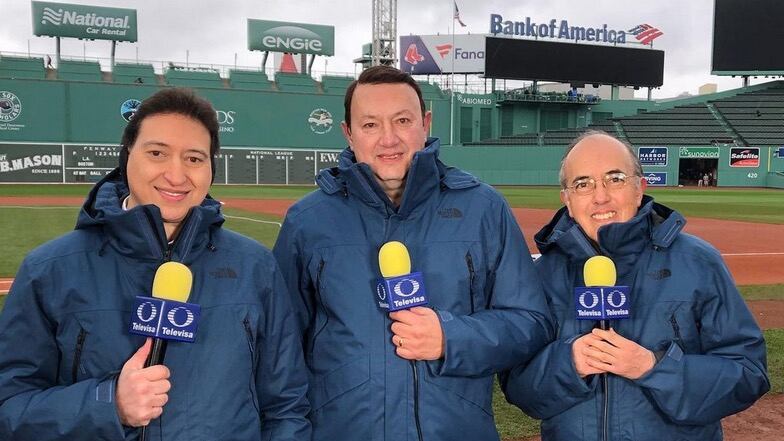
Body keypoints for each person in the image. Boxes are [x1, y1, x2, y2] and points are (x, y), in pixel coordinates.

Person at [0, 88, 310, 440]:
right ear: (127, 156)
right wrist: (108, 403)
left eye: (194, 158)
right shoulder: (49, 270)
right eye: (157, 153)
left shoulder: (255, 267)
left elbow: (286, 405)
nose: (176, 175)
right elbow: (9, 408)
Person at [272, 65, 554, 441]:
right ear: (349, 133)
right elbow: (280, 350)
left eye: (402, 120)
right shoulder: (307, 221)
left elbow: (531, 321)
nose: (388, 138)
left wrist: (452, 337)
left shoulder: (484, 209)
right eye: (370, 124)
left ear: (425, 123)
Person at [501, 131, 769, 441]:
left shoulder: (699, 262)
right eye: (583, 184)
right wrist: (568, 363)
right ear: (567, 200)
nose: (600, 196)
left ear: (639, 188)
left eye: (615, 179)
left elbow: (748, 374)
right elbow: (518, 390)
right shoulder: (541, 275)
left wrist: (654, 367)